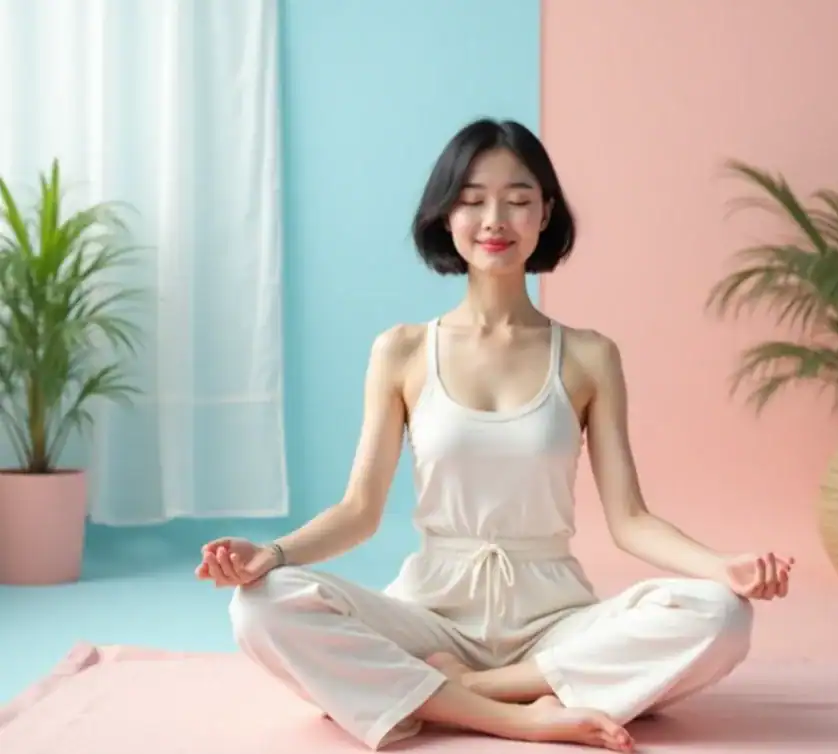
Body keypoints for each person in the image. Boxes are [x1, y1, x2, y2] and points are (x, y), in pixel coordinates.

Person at [195, 118, 793, 752]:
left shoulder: (589, 356)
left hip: (556, 623)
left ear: (545, 214)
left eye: (517, 199)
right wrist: (274, 555)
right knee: (260, 605)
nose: (495, 219)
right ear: (446, 216)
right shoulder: (401, 350)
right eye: (473, 200)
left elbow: (631, 519)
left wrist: (720, 566)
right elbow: (358, 511)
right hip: (427, 618)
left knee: (721, 615)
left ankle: (471, 691)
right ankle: (517, 714)